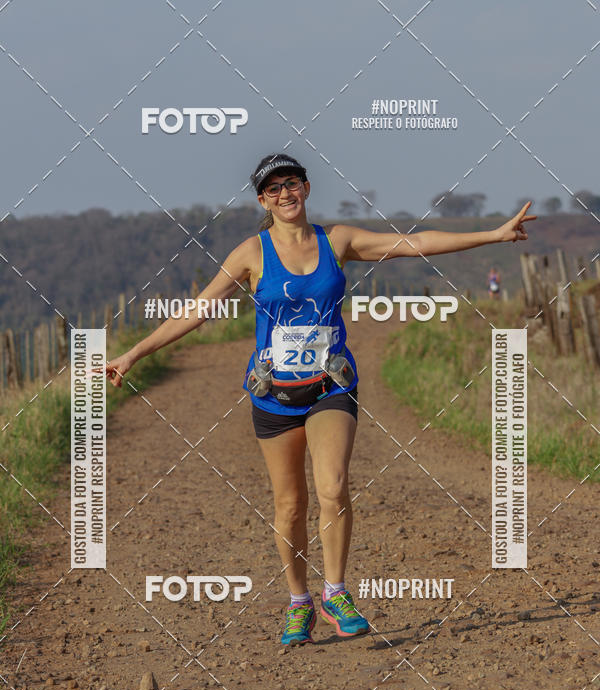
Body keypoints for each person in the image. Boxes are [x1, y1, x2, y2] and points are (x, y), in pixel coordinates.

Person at [105, 153, 535, 647]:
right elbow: (199, 311)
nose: (284, 194)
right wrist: (134, 353)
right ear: (263, 201)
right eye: (273, 189)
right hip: (274, 395)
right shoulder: (252, 252)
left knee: (332, 486)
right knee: (289, 506)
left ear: (306, 188)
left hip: (332, 386)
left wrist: (494, 235)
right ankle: (298, 601)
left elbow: (413, 244)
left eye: (292, 184)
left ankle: (334, 591)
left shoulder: (338, 241)